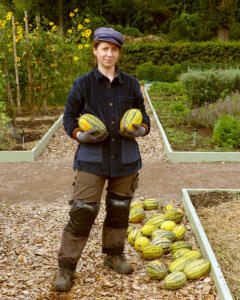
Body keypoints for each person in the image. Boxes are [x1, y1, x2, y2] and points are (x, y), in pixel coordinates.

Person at [54, 27, 151, 292]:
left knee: (120, 209)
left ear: (119, 53)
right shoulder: (82, 84)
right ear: (96, 50)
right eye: (105, 48)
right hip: (92, 160)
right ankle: (66, 266)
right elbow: (69, 119)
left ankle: (113, 254)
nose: (109, 53)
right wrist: (80, 136)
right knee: (82, 211)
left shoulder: (131, 83)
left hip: (125, 158)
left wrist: (140, 129)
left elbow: (144, 116)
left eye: (114, 49)